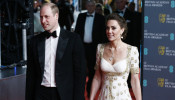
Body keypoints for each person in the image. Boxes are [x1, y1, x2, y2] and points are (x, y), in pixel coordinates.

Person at [26, 3, 86, 100]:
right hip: (41, 94)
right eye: (41, 17)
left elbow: (80, 73)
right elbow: (31, 75)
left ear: (56, 16)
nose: (43, 21)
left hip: (64, 93)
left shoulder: (73, 39)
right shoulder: (35, 41)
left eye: (46, 17)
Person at [90, 13, 142, 100]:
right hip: (104, 97)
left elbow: (135, 80)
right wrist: (91, 98)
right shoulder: (100, 48)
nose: (109, 31)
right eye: (107, 28)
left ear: (122, 30)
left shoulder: (132, 50)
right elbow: (97, 77)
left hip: (122, 97)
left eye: (113, 28)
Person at [74, 0, 108, 98]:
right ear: (86, 6)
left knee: (93, 72)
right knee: (81, 71)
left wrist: (102, 49)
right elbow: (76, 33)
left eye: (92, 6)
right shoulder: (81, 16)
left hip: (94, 49)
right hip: (82, 48)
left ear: (94, 7)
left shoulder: (101, 18)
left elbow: (103, 36)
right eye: (88, 5)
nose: (90, 7)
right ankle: (80, 94)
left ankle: (90, 92)